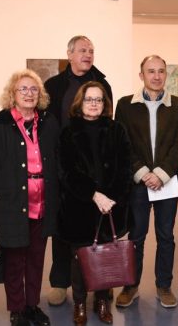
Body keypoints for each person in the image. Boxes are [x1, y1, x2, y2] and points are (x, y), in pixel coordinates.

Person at [0, 69, 59, 326]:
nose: (29, 94)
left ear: (40, 95)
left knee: (35, 259)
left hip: (42, 204)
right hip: (10, 206)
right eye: (23, 89)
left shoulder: (48, 123)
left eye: (34, 89)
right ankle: (17, 309)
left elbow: (57, 161)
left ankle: (32, 305)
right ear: (12, 94)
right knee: (14, 261)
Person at [114, 55, 178, 309]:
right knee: (136, 236)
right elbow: (122, 143)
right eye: (150, 71)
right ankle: (131, 285)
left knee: (166, 235)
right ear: (141, 75)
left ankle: (164, 285)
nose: (156, 76)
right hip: (138, 183)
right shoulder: (125, 105)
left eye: (160, 71)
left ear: (166, 74)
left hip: (167, 182)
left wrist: (162, 174)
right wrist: (144, 173)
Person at [44, 35, 113, 306]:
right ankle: (60, 282)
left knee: (97, 230)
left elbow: (108, 123)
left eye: (92, 50)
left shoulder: (102, 84)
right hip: (63, 167)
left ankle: (98, 283)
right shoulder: (53, 86)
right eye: (83, 50)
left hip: (94, 168)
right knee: (63, 227)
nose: (88, 54)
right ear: (69, 54)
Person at [58, 81, 131, 325]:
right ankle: (80, 303)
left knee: (105, 257)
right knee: (80, 259)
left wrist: (111, 198)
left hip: (110, 207)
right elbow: (66, 172)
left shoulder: (117, 129)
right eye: (89, 99)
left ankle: (102, 302)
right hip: (79, 207)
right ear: (80, 102)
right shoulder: (68, 132)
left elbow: (125, 168)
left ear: (105, 103)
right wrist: (93, 194)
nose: (94, 104)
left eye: (99, 100)